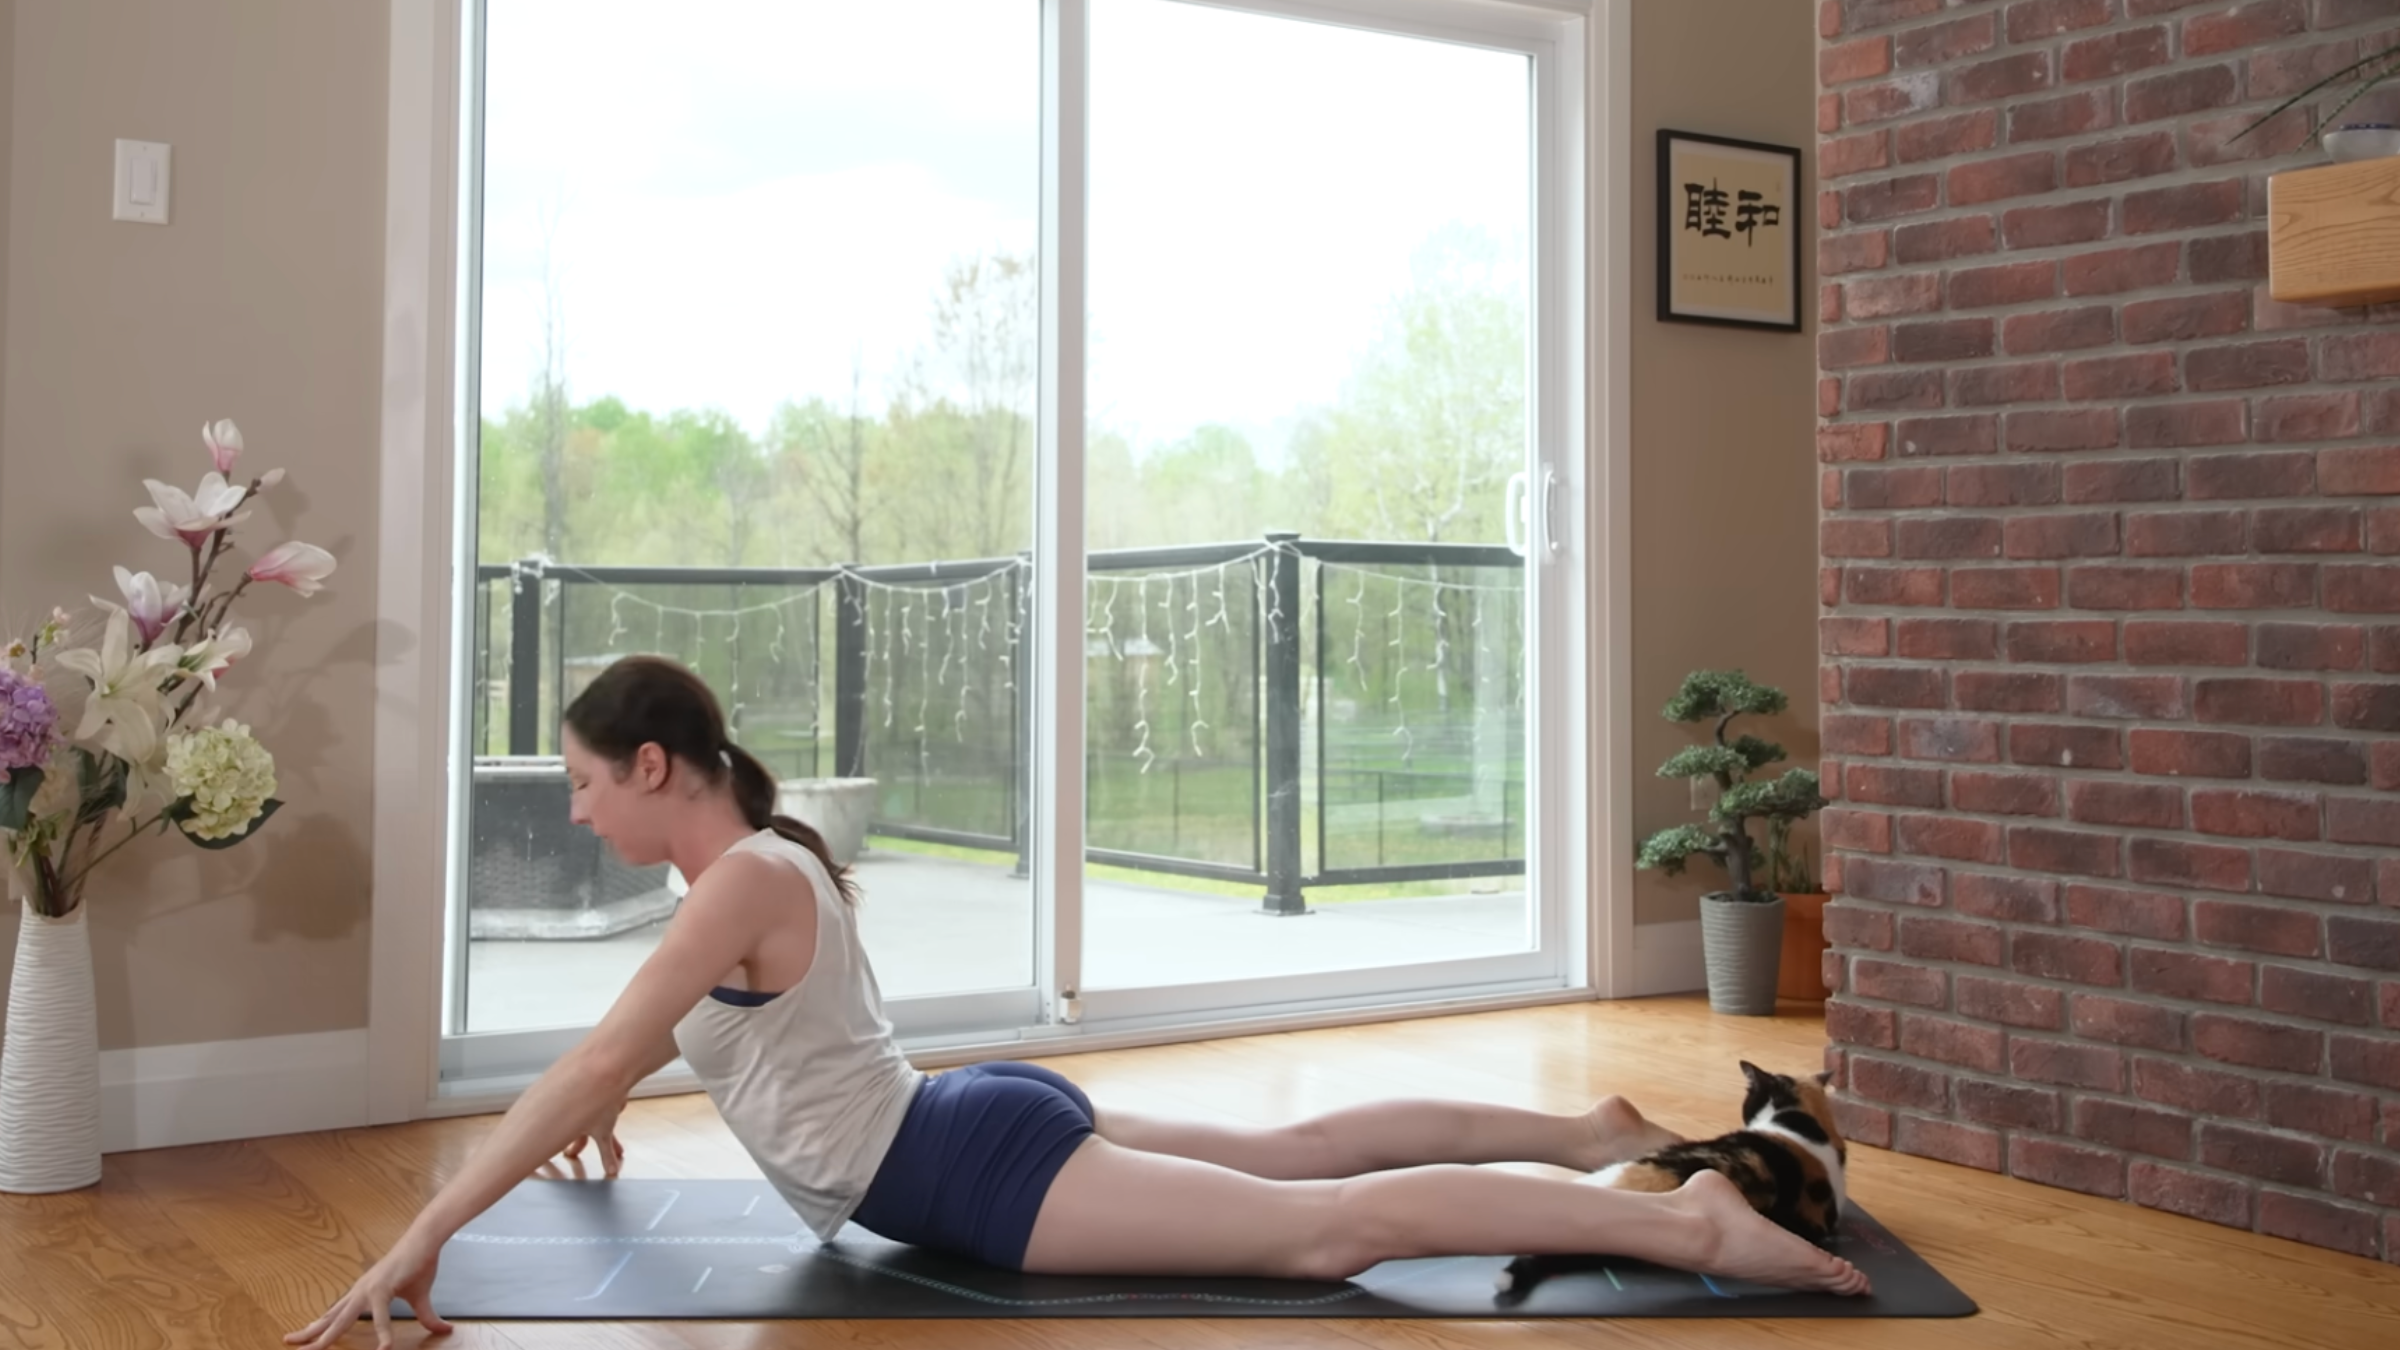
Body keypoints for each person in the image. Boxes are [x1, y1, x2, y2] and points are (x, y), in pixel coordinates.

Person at [289, 655, 1867, 1349]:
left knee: (1331, 1230)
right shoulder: (757, 864)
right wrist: (604, 1122)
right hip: (961, 1125)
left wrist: (419, 1234)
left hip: (965, 1167)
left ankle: (1683, 1225)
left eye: (579, 783)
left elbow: (595, 1057)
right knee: (1307, 1150)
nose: (571, 811)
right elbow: (699, 1054)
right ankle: (1583, 1126)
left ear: (652, 767)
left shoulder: (739, 882)